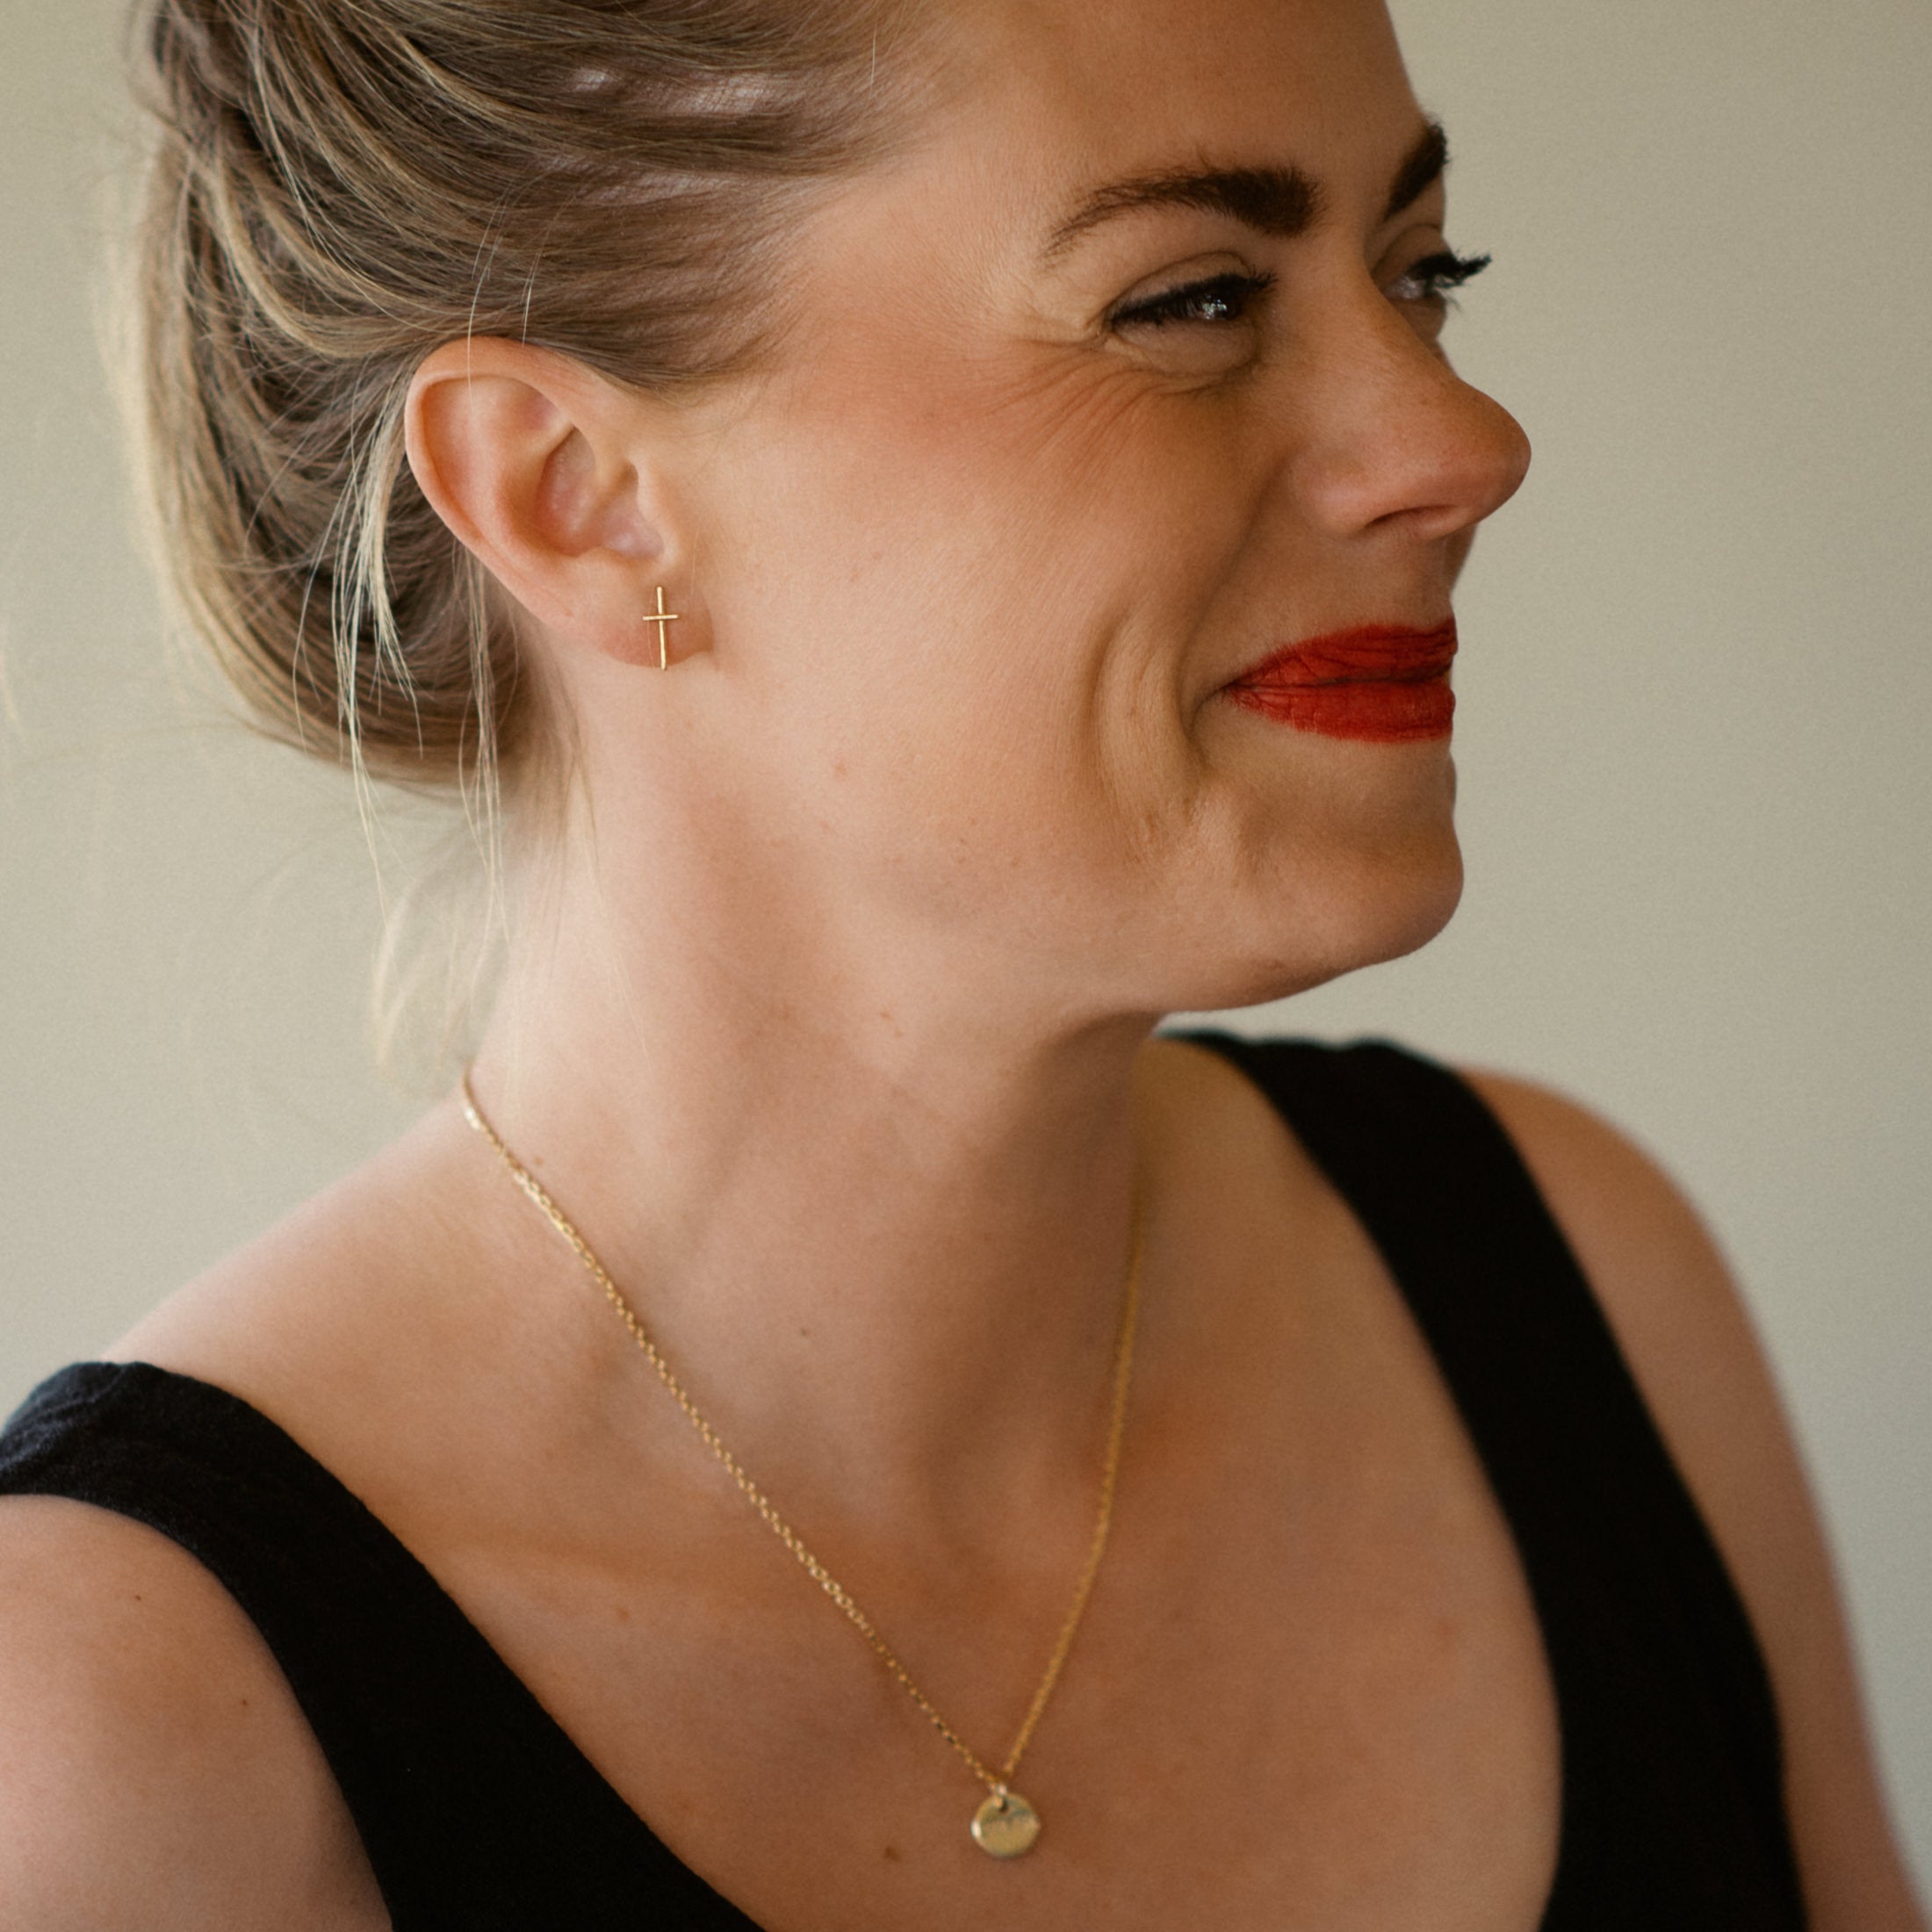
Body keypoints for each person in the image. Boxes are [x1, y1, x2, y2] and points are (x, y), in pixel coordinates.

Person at [0, 0, 1921, 1925]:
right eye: (1188, 301)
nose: (1457, 440)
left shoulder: (1568, 1282)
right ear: (570, 492)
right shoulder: (114, 1732)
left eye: (1422, 270)